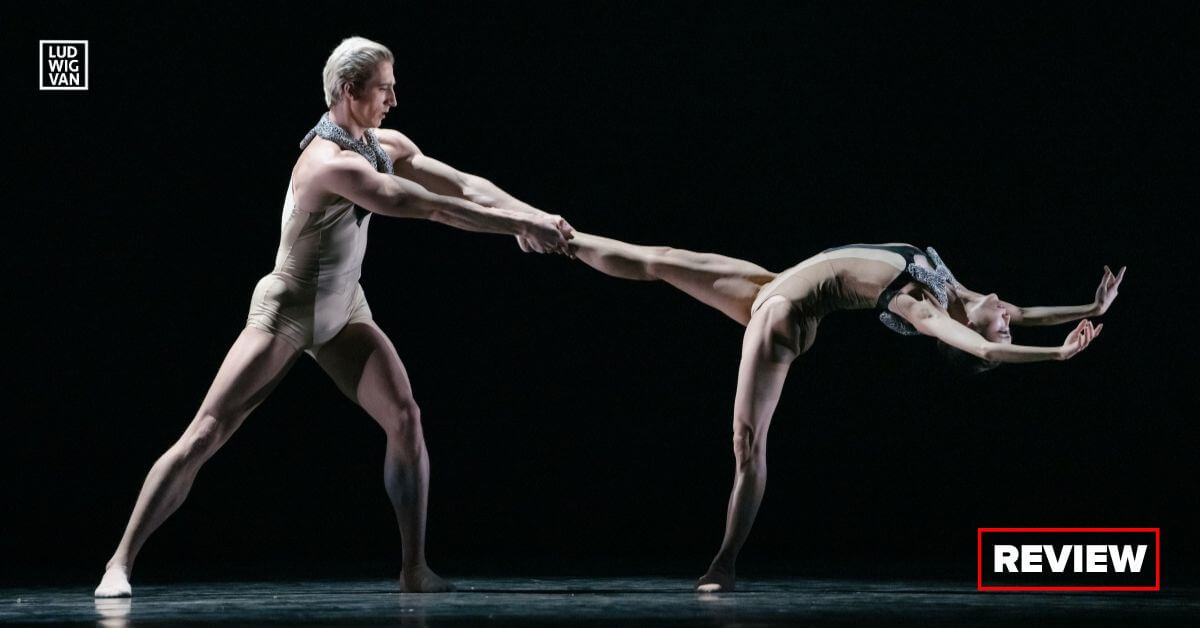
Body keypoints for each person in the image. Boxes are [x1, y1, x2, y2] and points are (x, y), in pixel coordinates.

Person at [94, 36, 574, 597]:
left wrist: (534, 215)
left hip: (346, 307)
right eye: (384, 88)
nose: (394, 98)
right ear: (349, 92)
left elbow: (464, 185)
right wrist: (519, 229)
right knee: (205, 433)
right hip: (288, 309)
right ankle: (119, 562)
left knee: (405, 419)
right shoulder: (327, 164)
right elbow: (428, 207)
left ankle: (413, 570)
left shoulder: (381, 141)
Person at [566, 233, 1125, 591]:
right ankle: (557, 235)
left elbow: (987, 348)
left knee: (747, 443)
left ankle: (724, 564)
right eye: (1005, 319)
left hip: (787, 313)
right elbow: (1021, 312)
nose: (1007, 315)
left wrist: (1058, 354)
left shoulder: (927, 309)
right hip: (772, 282)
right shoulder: (955, 289)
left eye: (1001, 323)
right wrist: (1090, 307)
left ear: (962, 332)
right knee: (660, 259)